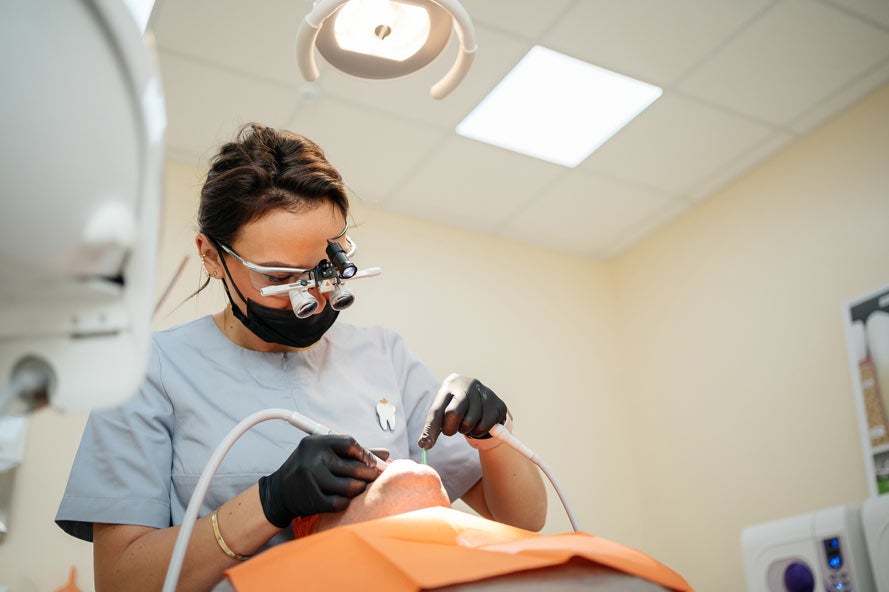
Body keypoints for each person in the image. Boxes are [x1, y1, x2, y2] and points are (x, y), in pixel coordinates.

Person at [55, 124, 547, 592]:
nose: (308, 294)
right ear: (211, 256)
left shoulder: (383, 355)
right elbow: (122, 580)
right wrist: (269, 502)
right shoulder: (149, 372)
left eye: (324, 269)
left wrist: (492, 436)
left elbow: (524, 521)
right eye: (278, 277)